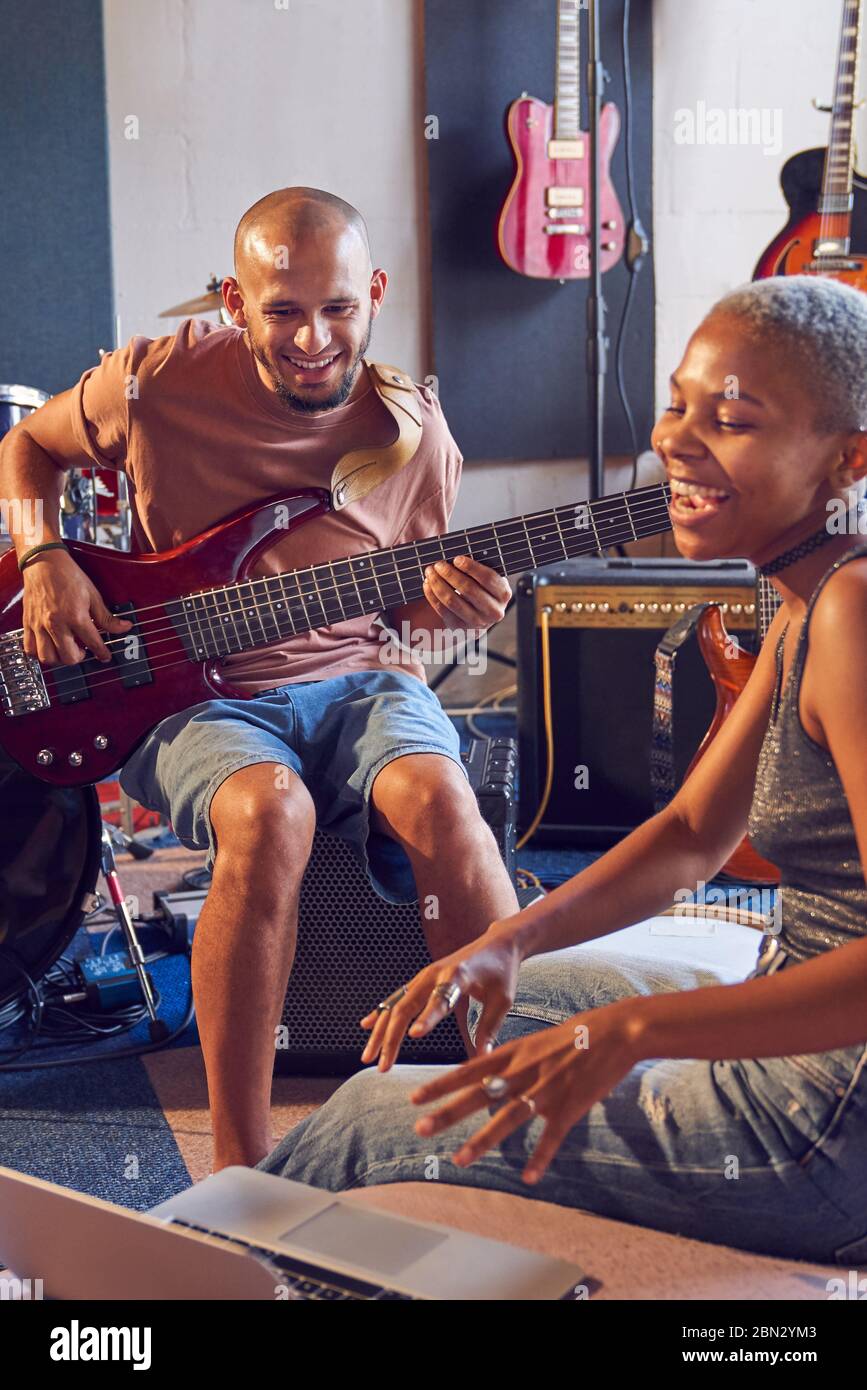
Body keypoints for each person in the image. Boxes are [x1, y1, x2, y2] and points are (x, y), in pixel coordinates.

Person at [259, 275, 867, 1265]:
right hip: (802, 1028)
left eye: (734, 419)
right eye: (677, 403)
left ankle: (195, 1285)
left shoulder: (853, 614)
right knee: (509, 993)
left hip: (826, 1128)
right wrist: (507, 938)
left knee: (377, 1114)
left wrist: (631, 1032)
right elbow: (689, 838)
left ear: (849, 456)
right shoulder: (816, 588)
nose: (676, 439)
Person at [0, 187, 516, 1172]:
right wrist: (40, 557)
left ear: (374, 293)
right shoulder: (155, 378)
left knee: (448, 802)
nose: (313, 337)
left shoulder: (415, 431)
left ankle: (515, 1110)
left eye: (338, 308)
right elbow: (24, 446)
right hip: (193, 695)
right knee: (271, 812)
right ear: (236, 303)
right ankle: (242, 1167)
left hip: (361, 681)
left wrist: (454, 612)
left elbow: (407, 613)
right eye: (281, 311)